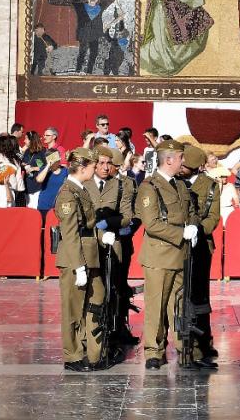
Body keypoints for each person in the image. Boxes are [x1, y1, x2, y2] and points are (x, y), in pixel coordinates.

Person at [135, 139, 199, 369]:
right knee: (156, 305)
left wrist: (193, 227)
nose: (184, 161)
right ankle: (154, 350)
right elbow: (151, 224)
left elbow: (190, 211)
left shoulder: (180, 185)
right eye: (181, 157)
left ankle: (183, 347)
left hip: (179, 256)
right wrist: (182, 233)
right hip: (159, 256)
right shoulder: (149, 186)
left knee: (179, 305)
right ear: (169, 159)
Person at [54, 148, 110, 371]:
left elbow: (86, 227)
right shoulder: (68, 193)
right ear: (83, 167)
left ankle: (93, 351)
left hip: (89, 255)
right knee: (73, 309)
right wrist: (79, 267)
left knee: (97, 299)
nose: (96, 168)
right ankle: (73, 355)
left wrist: (101, 235)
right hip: (74, 259)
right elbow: (70, 233)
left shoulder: (81, 190)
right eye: (93, 165)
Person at [87, 145, 140, 348]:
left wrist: (115, 226)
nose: (107, 167)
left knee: (117, 287)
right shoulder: (86, 183)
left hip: (118, 241)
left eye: (111, 164)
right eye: (102, 163)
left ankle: (118, 327)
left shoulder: (123, 184)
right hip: (93, 243)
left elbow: (131, 215)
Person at [181, 145, 222, 366]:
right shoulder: (175, 183)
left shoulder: (210, 185)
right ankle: (183, 343)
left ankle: (203, 341)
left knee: (199, 295)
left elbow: (214, 216)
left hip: (201, 245)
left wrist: (198, 229)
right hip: (177, 243)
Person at [72, 0, 106, 74]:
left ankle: (81, 71)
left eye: (93, 1)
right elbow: (105, 2)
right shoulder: (100, 7)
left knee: (87, 53)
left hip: (88, 34)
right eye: (92, 1)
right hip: (90, 34)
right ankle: (82, 71)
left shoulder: (81, 7)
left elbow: (74, 2)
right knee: (88, 53)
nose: (92, 3)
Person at [36, 151, 69, 219]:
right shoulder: (44, 170)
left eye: (58, 158)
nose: (58, 160)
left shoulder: (65, 170)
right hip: (45, 206)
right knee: (44, 228)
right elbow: (39, 180)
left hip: (60, 206)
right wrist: (48, 166)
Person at [21, 131, 47, 208]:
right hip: (27, 184)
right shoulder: (27, 151)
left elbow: (45, 167)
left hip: (37, 186)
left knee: (35, 208)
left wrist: (33, 168)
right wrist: (23, 165)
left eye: (26, 138)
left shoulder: (42, 152)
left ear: (31, 140)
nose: (24, 141)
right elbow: (24, 162)